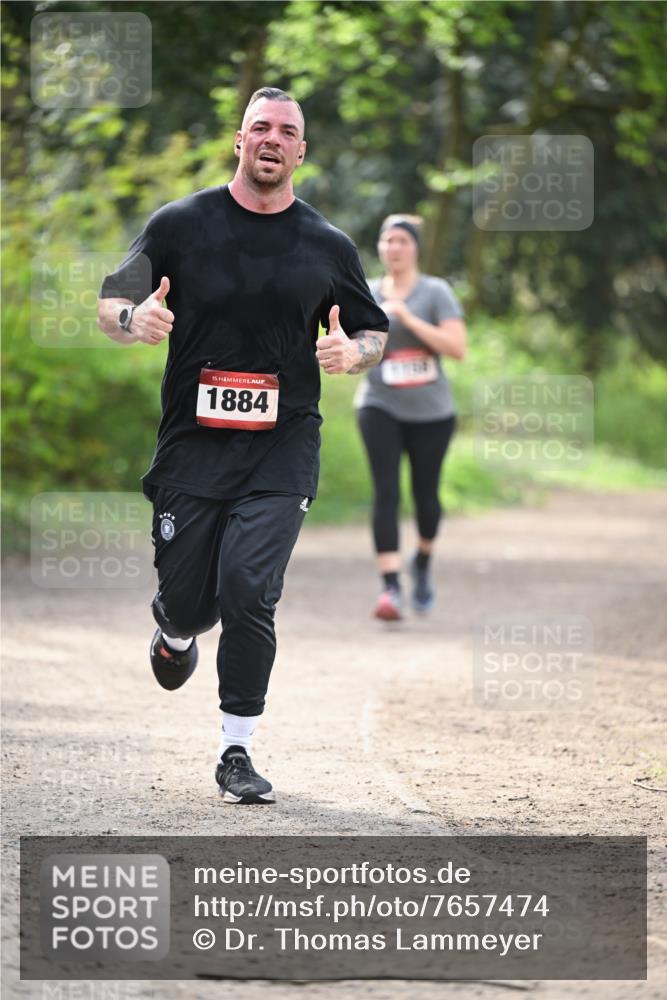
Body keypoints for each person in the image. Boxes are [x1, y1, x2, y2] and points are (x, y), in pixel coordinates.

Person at [97, 87, 388, 804]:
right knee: (195, 605)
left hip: (281, 445)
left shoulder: (327, 245)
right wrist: (134, 319)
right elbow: (112, 302)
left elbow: (373, 330)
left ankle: (236, 750)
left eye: (286, 131)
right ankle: (174, 628)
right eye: (259, 126)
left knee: (251, 591)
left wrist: (356, 355)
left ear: (300, 151)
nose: (271, 138)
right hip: (192, 447)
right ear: (238, 140)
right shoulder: (181, 223)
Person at [354, 214, 467, 621]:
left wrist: (408, 318)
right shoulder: (366, 292)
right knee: (386, 492)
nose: (394, 248)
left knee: (426, 496)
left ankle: (421, 562)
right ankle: (390, 587)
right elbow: (357, 347)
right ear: (380, 247)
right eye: (387, 241)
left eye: (402, 240)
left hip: (432, 411)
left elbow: (458, 348)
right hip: (379, 403)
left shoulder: (435, 292)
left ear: (415, 247)